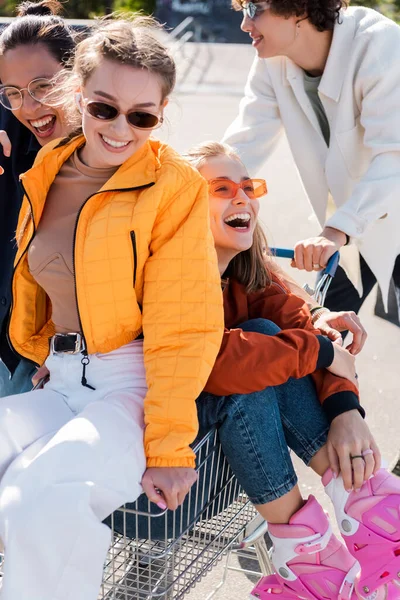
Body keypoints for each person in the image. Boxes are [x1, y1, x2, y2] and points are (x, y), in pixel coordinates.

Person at [0, 17, 223, 600]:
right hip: (64, 377)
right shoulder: (47, 168)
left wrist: (170, 444)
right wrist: (41, 346)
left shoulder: (172, 185)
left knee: (39, 498)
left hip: (134, 385)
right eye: (104, 108)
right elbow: (42, 275)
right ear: (79, 95)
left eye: (142, 115)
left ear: (161, 113)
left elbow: (185, 319)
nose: (121, 128)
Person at [188, 141, 400, 600]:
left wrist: (347, 410)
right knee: (257, 350)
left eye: (248, 186)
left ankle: (369, 513)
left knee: (271, 333)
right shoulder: (173, 274)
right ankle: (321, 555)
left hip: (227, 428)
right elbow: (217, 362)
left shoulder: (246, 271)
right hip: (175, 437)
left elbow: (306, 328)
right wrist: (324, 355)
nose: (242, 197)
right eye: (221, 188)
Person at [222, 0, 400, 322]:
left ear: (299, 8)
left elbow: (394, 156)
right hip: (346, 228)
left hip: (376, 216)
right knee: (320, 334)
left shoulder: (381, 46)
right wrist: (188, 189)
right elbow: (244, 141)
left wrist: (336, 230)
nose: (245, 25)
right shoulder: (273, 59)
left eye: (254, 9)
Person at [0, 0, 76, 397]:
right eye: (12, 93)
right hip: (14, 347)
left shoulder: (121, 156)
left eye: (44, 87)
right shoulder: (13, 149)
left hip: (64, 360)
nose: (29, 107)